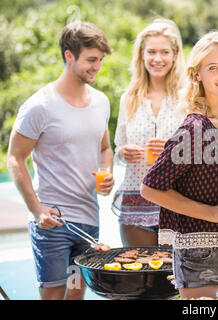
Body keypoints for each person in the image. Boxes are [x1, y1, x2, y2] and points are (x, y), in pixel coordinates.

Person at [140, 31, 218, 299]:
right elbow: (150, 189)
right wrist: (212, 213)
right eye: (213, 68)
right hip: (199, 254)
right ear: (198, 75)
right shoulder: (194, 128)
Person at [7, 21, 114, 300]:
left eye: (100, 60)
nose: (97, 67)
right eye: (91, 59)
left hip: (88, 221)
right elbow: (15, 158)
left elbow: (105, 147)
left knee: (76, 294)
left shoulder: (101, 102)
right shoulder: (39, 106)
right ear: (69, 56)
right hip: (52, 222)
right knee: (54, 295)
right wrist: (36, 209)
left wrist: (107, 172)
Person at [112, 18, 185, 247]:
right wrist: (124, 153)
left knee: (174, 279)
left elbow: (197, 151)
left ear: (174, 54)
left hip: (175, 201)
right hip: (135, 201)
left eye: (164, 52)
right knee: (137, 276)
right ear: (142, 55)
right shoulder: (128, 99)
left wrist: (172, 150)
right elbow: (118, 151)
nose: (157, 59)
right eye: (151, 52)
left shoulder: (186, 98)